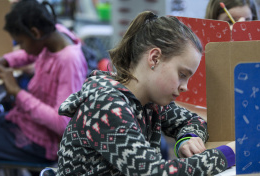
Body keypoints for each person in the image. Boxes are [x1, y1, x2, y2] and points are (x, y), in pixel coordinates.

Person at [56, 11, 235, 175]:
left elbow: (194, 120)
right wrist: (229, 154)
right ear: (154, 58)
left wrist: (188, 138)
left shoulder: (149, 101)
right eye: (182, 75)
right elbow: (152, 172)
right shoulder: (106, 105)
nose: (185, 87)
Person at [0, 0, 87, 165]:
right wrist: (3, 61)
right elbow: (31, 52)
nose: (21, 47)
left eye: (21, 42)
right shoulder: (54, 34)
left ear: (35, 33)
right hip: (24, 123)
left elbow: (62, 123)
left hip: (42, 143)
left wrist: (17, 92)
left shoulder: (69, 61)